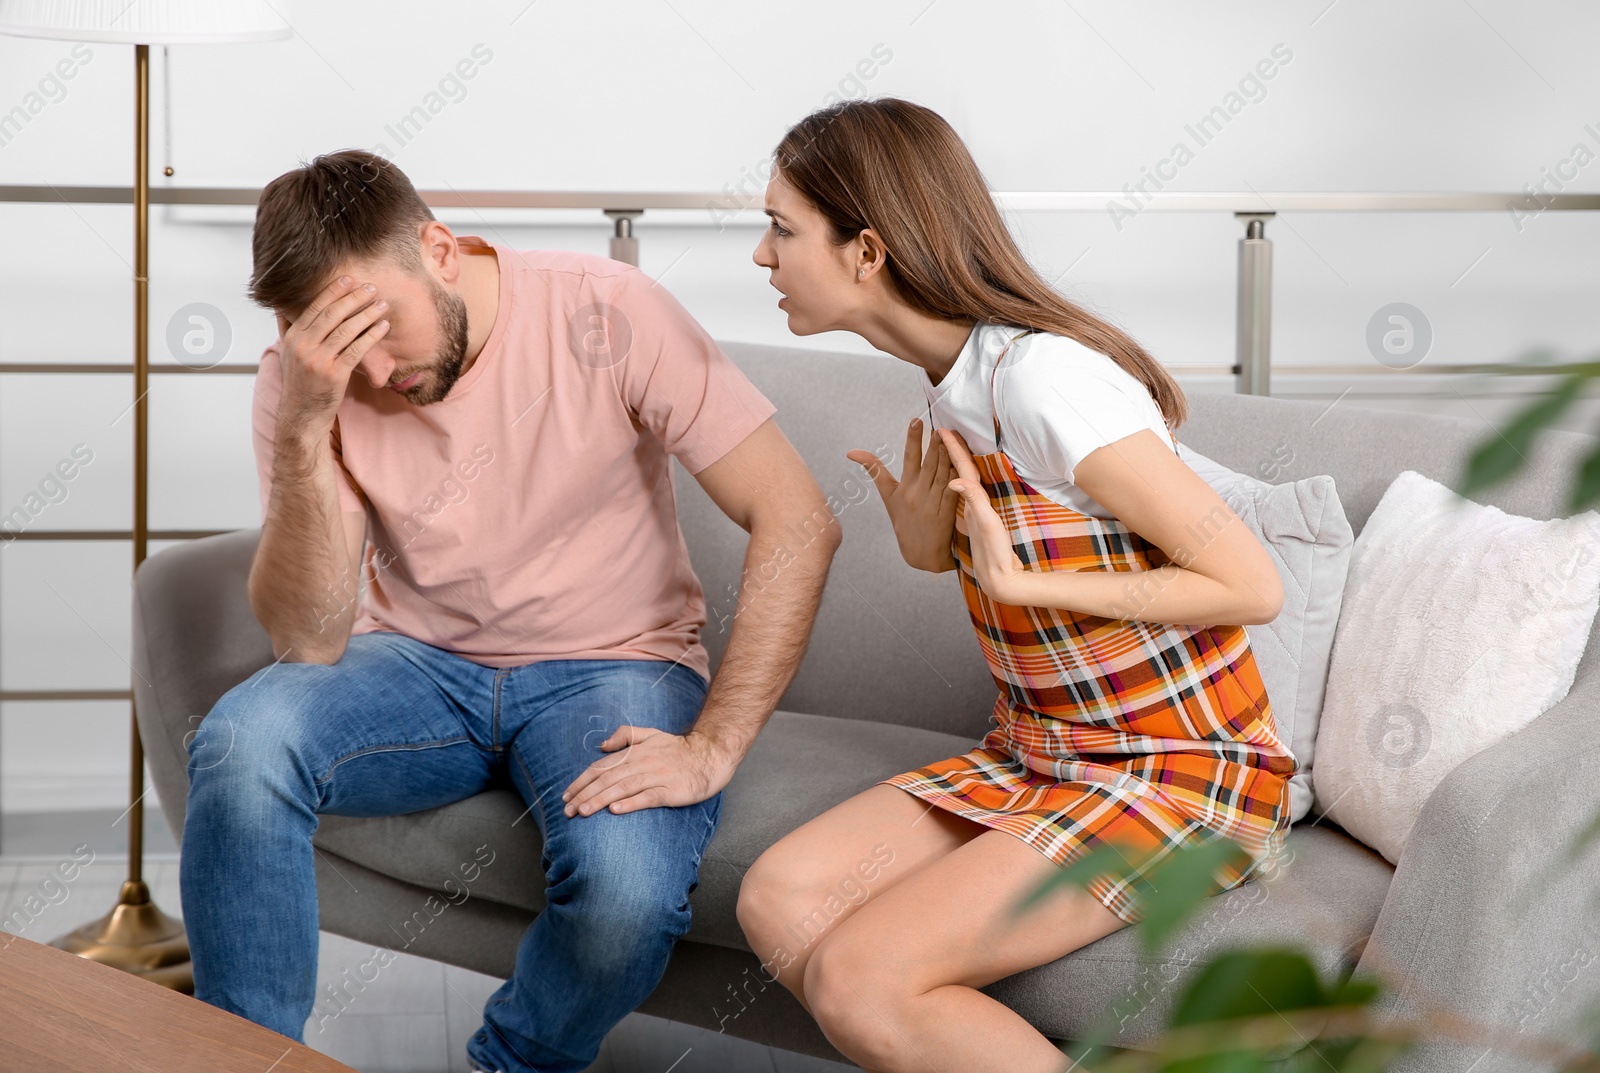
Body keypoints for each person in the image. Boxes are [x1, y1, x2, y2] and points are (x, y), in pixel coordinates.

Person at [181, 149, 841, 1073]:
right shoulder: (310, 385)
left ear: (440, 252)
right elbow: (308, 636)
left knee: (627, 894)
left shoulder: (605, 310)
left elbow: (797, 519)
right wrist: (302, 426)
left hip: (614, 663)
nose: (372, 370)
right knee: (241, 741)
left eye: (380, 324)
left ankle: (514, 1063)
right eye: (337, 343)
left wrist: (715, 743)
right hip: (415, 664)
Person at [736, 98, 1298, 1072]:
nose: (761, 255)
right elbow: (1067, 547)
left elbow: (1251, 582)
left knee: (860, 975)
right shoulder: (957, 378)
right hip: (1044, 753)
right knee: (777, 897)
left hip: (1177, 774)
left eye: (781, 228)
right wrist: (935, 552)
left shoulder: (1046, 381)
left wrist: (1028, 584)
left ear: (866, 250)